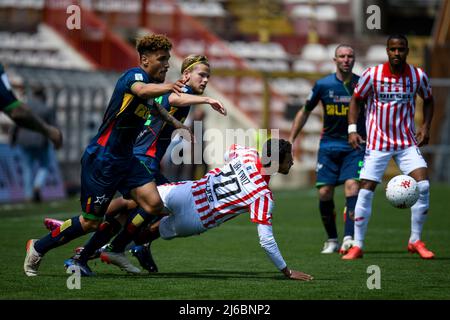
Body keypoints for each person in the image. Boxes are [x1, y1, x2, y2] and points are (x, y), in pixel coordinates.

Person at [23, 34, 191, 277]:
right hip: (103, 159)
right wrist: (170, 85)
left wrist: (176, 123)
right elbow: (142, 91)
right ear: (144, 60)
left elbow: (155, 106)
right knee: (90, 221)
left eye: (168, 59)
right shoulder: (134, 76)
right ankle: (38, 246)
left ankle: (114, 247)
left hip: (126, 160)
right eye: (162, 59)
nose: (166, 64)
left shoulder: (151, 89)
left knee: (154, 204)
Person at [60, 54, 226, 274]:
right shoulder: (182, 91)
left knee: (130, 211)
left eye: (208, 76)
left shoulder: (179, 94)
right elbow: (175, 99)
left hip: (142, 158)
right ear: (186, 75)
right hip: (142, 159)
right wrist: (207, 100)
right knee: (162, 204)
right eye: (202, 75)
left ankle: (85, 245)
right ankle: (114, 243)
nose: (205, 80)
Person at [72, 139, 314, 281]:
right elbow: (266, 240)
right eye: (288, 159)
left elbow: (231, 148)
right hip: (197, 217)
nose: (292, 162)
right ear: (277, 161)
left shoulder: (249, 154)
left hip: (188, 191)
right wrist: (286, 270)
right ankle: (105, 250)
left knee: (132, 202)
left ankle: (82, 226)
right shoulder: (263, 195)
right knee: (149, 233)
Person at [343, 34, 435, 260]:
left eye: (401, 49)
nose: (397, 53)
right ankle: (358, 244)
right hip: (377, 143)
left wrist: (426, 126)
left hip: (406, 142)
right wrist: (352, 129)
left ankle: (415, 240)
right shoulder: (372, 75)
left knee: (422, 185)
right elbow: (356, 99)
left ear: (407, 51)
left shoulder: (417, 75)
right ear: (387, 51)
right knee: (365, 189)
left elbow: (429, 99)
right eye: (393, 49)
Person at [289, 44, 365, 254]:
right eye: (342, 56)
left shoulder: (362, 84)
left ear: (354, 59)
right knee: (324, 192)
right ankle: (332, 239)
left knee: (352, 187)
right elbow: (304, 111)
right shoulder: (323, 85)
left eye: (350, 56)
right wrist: (292, 139)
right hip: (329, 145)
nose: (346, 59)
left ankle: (349, 238)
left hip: (355, 145)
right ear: (335, 60)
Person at [10, 86, 56, 202]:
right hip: (40, 141)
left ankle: (28, 195)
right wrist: (55, 141)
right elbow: (53, 127)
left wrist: (13, 138)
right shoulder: (46, 108)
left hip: (23, 140)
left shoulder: (24, 106)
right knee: (44, 165)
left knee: (27, 168)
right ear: (43, 95)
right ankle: (37, 184)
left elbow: (16, 123)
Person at [0, 63, 62, 150]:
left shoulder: (26, 104)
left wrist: (12, 140)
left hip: (22, 142)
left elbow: (16, 124)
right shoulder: (47, 109)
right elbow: (16, 112)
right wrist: (50, 132)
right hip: (38, 144)